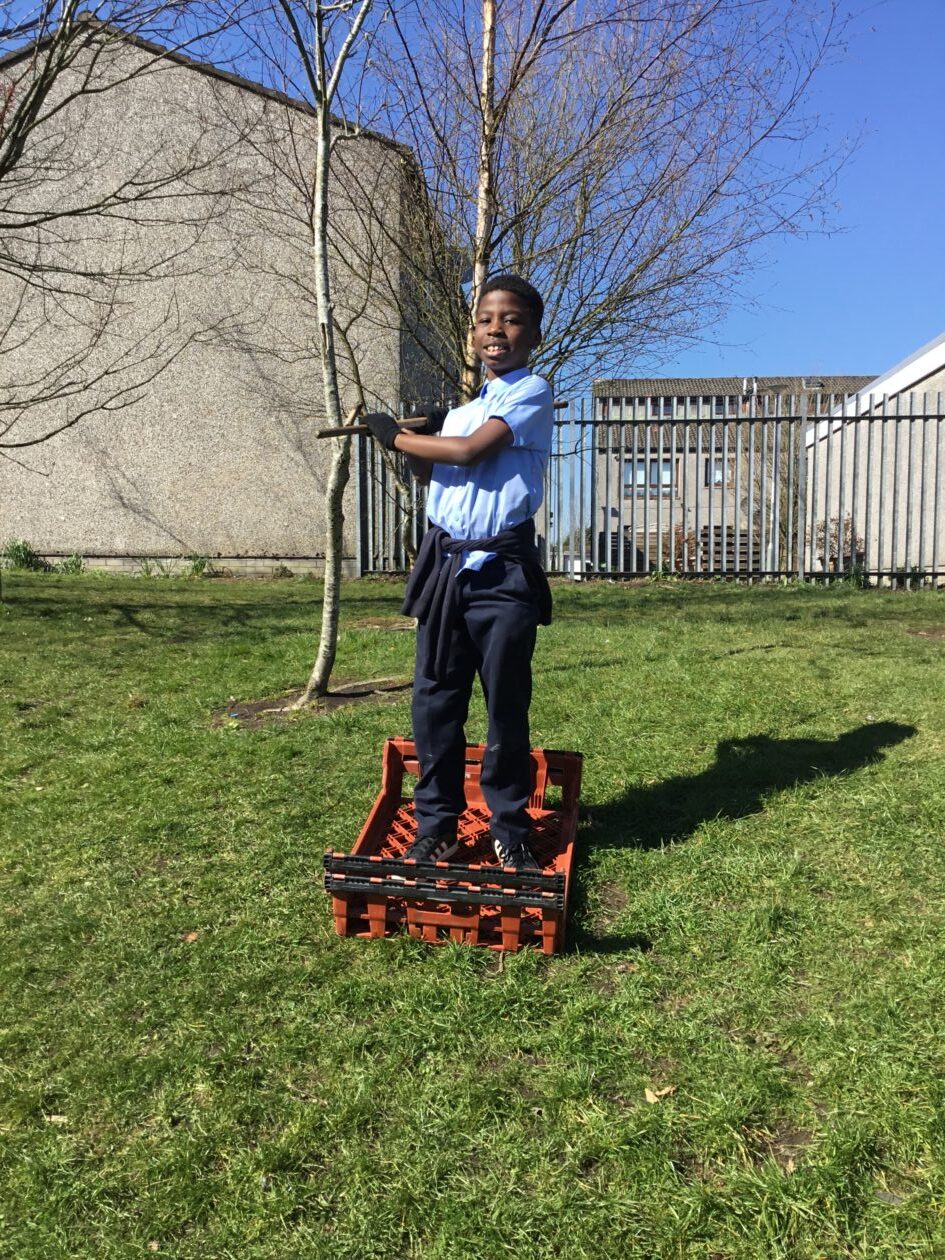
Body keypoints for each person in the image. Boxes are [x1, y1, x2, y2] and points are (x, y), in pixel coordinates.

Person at [361, 274, 553, 872]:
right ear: (472, 335)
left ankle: (509, 829)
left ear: (534, 334)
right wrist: (425, 438)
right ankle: (436, 827)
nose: (497, 330)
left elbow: (470, 453)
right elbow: (437, 473)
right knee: (436, 702)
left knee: (505, 705)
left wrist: (395, 436)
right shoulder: (462, 414)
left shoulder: (533, 392)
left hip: (503, 573)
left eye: (512, 319)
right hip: (447, 570)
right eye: (485, 320)